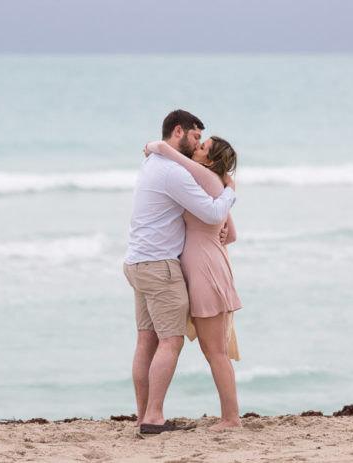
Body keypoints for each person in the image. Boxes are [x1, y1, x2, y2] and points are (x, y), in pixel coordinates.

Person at [123, 110, 236, 434]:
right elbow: (213, 210)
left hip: (136, 262)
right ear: (179, 132)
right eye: (197, 137)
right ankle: (154, 418)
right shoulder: (175, 172)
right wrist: (230, 188)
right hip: (160, 266)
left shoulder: (153, 162)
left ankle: (143, 415)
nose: (199, 143)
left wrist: (155, 146)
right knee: (170, 342)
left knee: (146, 341)